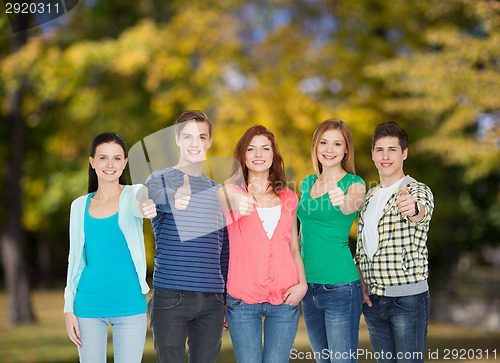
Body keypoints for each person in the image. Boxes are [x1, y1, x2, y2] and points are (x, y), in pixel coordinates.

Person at [217, 125, 308, 363]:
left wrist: (303, 285)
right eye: (251, 149)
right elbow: (225, 198)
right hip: (242, 300)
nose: (258, 154)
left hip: (286, 297)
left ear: (274, 155)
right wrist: (241, 201)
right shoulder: (231, 192)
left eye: (265, 148)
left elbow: (294, 248)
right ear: (243, 156)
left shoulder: (288, 196)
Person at [64, 132, 157, 363]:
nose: (110, 164)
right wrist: (68, 308)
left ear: (125, 163)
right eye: (103, 158)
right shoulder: (78, 206)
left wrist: (149, 206)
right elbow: (74, 260)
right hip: (87, 305)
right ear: (92, 162)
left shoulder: (134, 193)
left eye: (117, 158)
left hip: (130, 304)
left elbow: (144, 200)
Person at [145, 110, 229, 363]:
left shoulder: (218, 191)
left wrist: (225, 298)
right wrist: (177, 198)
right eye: (189, 136)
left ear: (210, 141)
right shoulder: (158, 178)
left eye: (202, 137)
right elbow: (157, 198)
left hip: (212, 299)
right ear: (177, 139)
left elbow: (222, 249)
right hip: (171, 295)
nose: (196, 143)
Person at [355, 122, 434, 363]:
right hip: (374, 302)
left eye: (392, 149)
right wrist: (362, 283)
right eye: (380, 149)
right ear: (372, 154)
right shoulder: (368, 198)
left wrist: (414, 209)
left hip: (407, 301)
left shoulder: (416, 190)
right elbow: (363, 246)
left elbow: (422, 212)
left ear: (404, 153)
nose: (385, 156)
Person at [297, 119, 366, 362]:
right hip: (308, 287)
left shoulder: (354, 184)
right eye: (324, 143)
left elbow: (352, 205)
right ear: (316, 147)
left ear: (346, 149)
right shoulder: (307, 183)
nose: (329, 149)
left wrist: (342, 200)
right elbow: (302, 234)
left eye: (337, 144)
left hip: (340, 288)